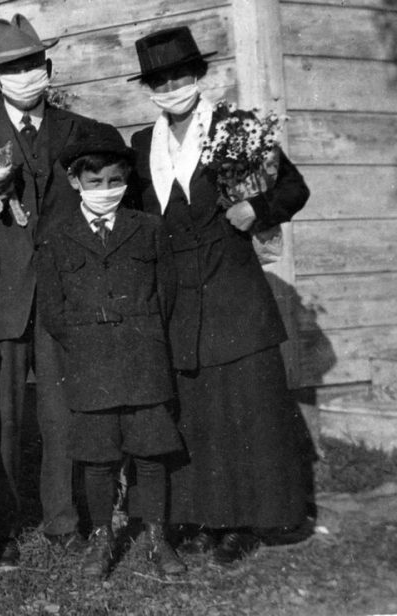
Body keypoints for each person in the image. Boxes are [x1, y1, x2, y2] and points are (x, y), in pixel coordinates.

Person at [127, 26, 311, 564]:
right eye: (158, 80)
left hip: (232, 284)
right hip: (177, 296)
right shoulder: (144, 145)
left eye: (179, 75)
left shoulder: (236, 128)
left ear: (198, 76)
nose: (170, 87)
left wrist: (259, 210)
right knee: (196, 410)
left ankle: (248, 521)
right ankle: (204, 517)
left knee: (245, 406)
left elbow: (293, 187)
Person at [0, 13, 119, 567]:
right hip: (2, 295)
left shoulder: (84, 132)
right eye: (11, 68)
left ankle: (63, 519)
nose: (24, 75)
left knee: (61, 411)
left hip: (68, 295)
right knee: (2, 416)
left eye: (31, 64)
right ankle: (4, 521)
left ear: (47, 67)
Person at [37, 123, 186, 578]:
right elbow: (52, 308)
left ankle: (157, 537)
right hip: (90, 363)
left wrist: (139, 334)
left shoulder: (149, 229)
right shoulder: (58, 235)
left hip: (144, 358)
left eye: (115, 181)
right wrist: (88, 341)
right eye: (95, 181)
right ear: (76, 182)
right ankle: (101, 538)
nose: (106, 190)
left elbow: (168, 294)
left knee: (151, 451)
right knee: (98, 458)